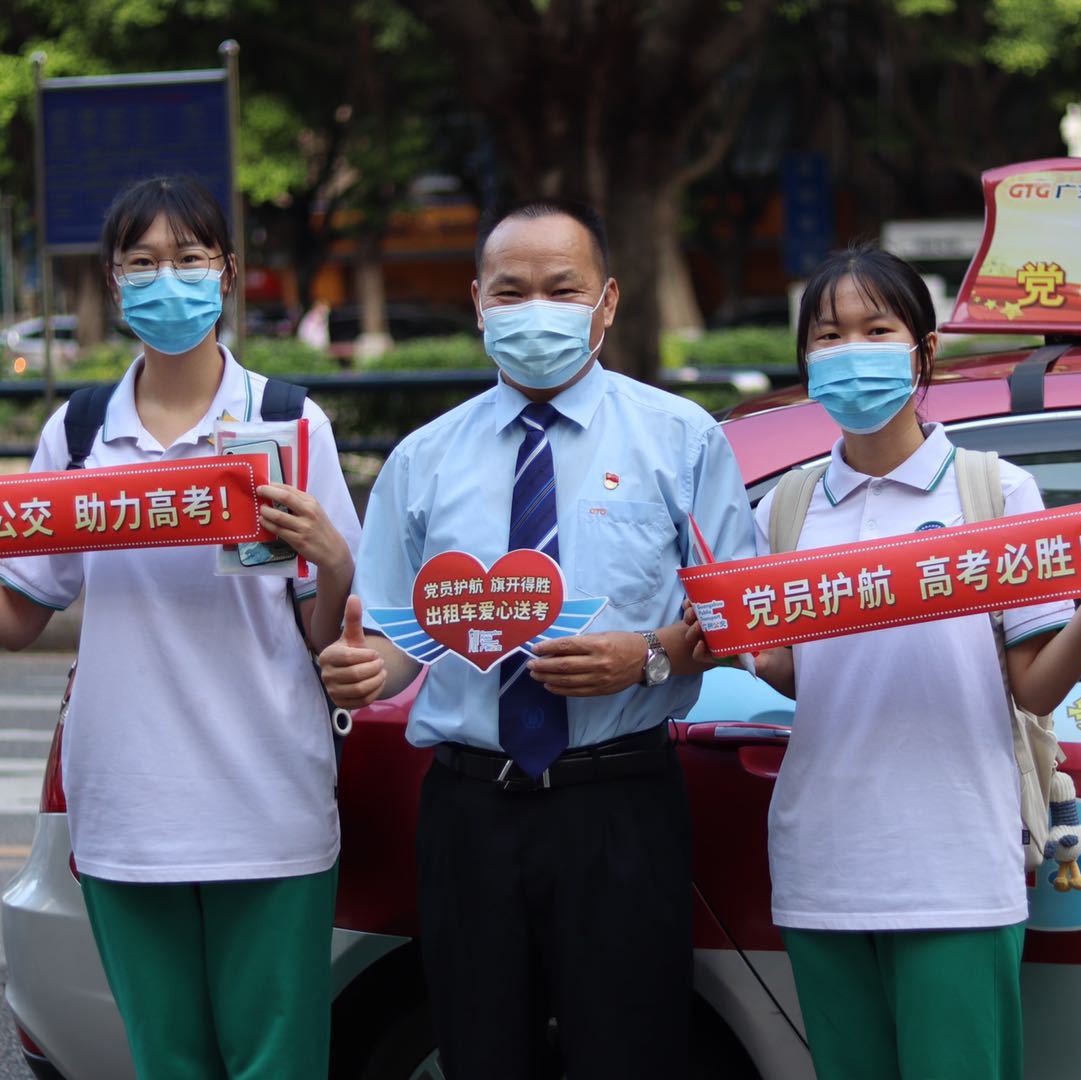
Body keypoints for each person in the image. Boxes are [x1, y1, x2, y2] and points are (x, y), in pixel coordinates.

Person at [0, 176, 360, 1079]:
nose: (168, 280)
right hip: (126, 809)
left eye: (189, 259)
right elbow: (19, 614)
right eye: (142, 263)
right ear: (113, 283)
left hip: (270, 800)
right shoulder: (79, 432)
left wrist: (334, 562)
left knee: (279, 1064)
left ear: (226, 272)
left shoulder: (288, 422)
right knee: (164, 1062)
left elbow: (324, 631)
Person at [685, 245, 1081, 1080]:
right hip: (822, 861)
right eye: (827, 336)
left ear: (924, 351)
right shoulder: (784, 506)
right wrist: (731, 640)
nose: (850, 352)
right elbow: (789, 673)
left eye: (876, 328)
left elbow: (1035, 685)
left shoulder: (993, 492)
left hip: (958, 864)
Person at [319, 197, 756, 1079]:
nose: (535, 308)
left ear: (608, 302)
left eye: (562, 287)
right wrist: (366, 669)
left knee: (631, 1055)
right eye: (511, 290)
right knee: (482, 1055)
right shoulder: (423, 460)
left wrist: (652, 655)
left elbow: (742, 615)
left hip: (621, 802)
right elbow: (403, 635)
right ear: (478, 305)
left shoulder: (680, 439)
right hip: (470, 810)